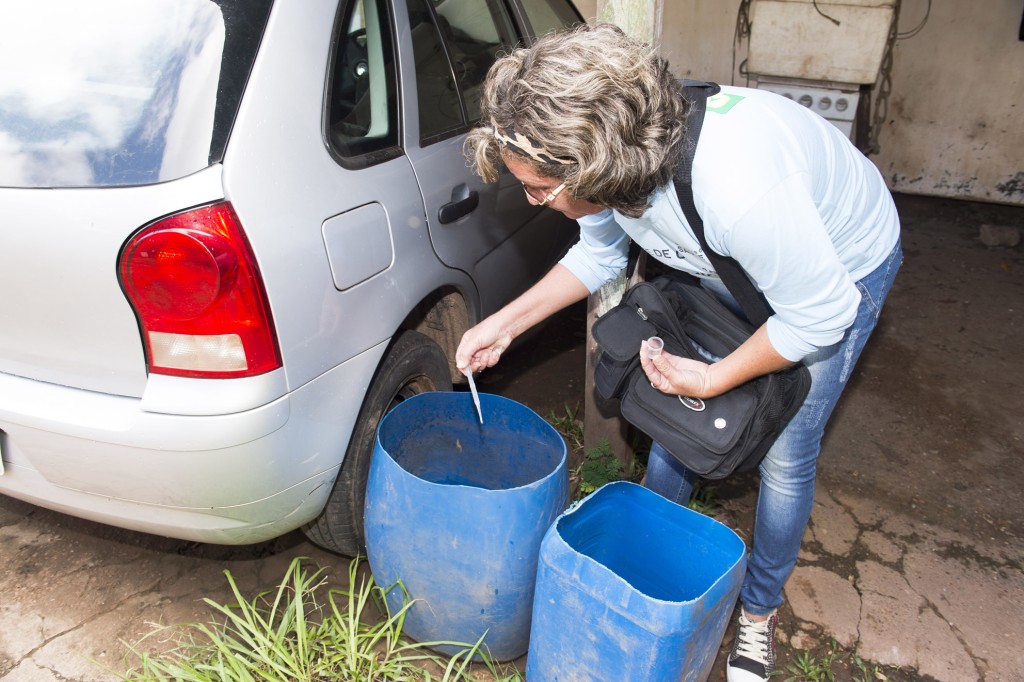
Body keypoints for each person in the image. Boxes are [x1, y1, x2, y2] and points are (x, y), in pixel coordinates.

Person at [455, 22, 902, 682]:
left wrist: (717, 377)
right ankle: (643, 560)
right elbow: (599, 254)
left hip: (838, 270)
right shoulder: (616, 156)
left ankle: (759, 610)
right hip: (730, 255)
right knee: (677, 416)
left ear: (593, 167)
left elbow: (819, 316)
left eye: (538, 190)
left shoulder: (737, 189)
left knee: (785, 453)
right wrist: (505, 325)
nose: (532, 202)